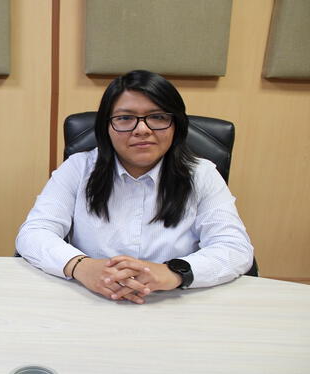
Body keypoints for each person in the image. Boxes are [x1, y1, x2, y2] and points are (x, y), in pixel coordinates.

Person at [16, 70, 253, 304]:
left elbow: (234, 247)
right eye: (125, 118)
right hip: (90, 300)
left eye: (158, 117)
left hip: (173, 303)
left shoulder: (201, 174)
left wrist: (173, 273)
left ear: (176, 125)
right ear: (106, 127)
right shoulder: (78, 169)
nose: (142, 129)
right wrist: (82, 267)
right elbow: (34, 233)